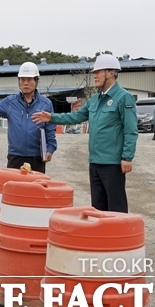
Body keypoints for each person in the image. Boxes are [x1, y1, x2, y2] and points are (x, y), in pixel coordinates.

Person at [32, 54, 138, 213]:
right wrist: (51, 117)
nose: (94, 76)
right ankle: (100, 237)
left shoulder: (124, 97)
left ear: (111, 73)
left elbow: (131, 130)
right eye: (94, 72)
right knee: (97, 206)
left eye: (98, 72)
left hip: (112, 163)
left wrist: (127, 157)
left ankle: (118, 237)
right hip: (95, 162)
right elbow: (76, 116)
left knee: (116, 207)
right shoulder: (95, 99)